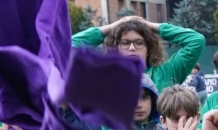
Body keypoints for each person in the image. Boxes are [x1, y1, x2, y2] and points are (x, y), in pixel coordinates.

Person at [72, 14, 207, 93]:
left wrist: (151, 26)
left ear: (149, 47)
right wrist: (112, 27)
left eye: (139, 42)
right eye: (125, 43)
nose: (132, 48)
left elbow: (196, 41)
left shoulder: (166, 72)